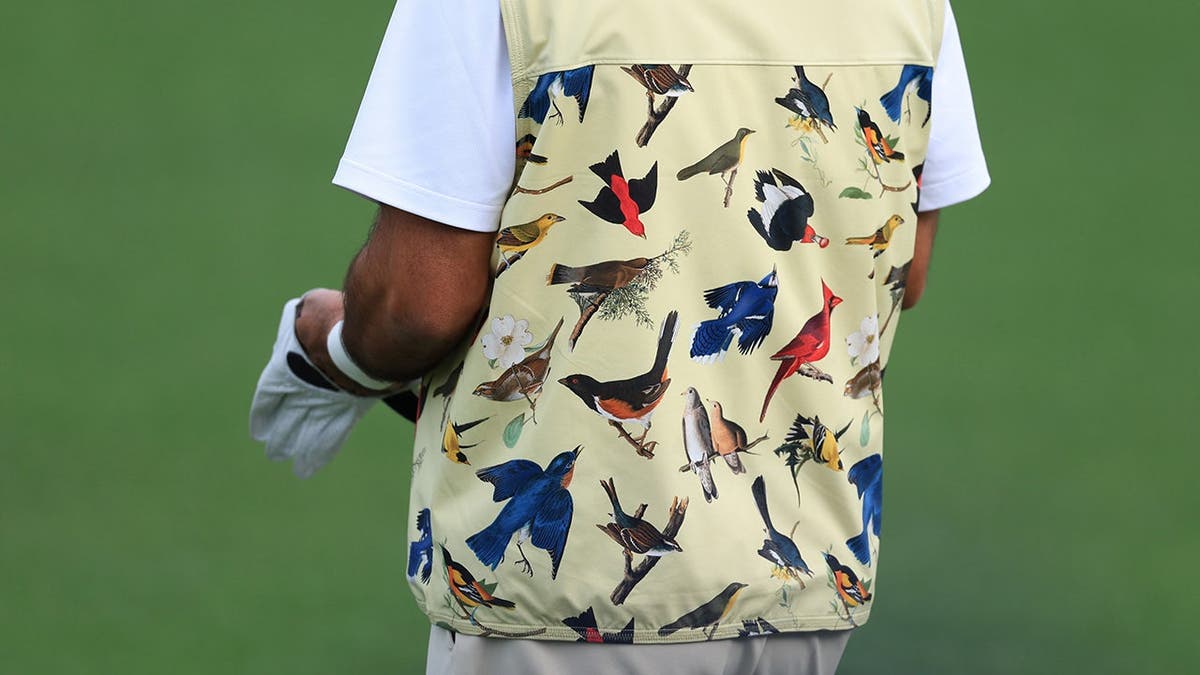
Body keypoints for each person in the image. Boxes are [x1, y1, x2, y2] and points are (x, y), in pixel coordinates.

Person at [251, 0, 989, 672]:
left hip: (564, 610)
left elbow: (418, 303)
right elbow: (903, 268)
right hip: (802, 591)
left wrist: (336, 352)